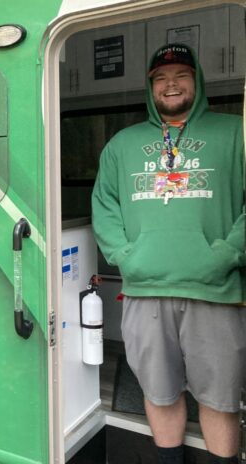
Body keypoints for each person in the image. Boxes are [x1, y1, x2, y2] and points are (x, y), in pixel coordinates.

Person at [92, 43, 245, 464]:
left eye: (180, 75)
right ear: (150, 87)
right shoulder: (122, 144)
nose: (170, 84)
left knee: (220, 398)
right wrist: (126, 255)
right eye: (160, 78)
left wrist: (228, 253)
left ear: (197, 80)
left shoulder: (236, 133)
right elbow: (104, 206)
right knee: (158, 392)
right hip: (145, 289)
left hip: (215, 291)